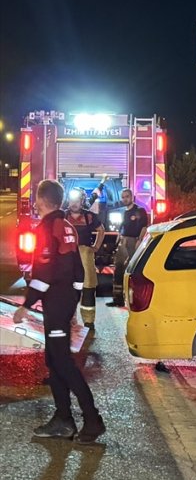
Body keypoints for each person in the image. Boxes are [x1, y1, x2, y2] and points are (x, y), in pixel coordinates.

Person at [13, 179, 105, 443]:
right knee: (53, 360)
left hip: (55, 302)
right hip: (63, 301)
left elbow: (44, 273)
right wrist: (72, 298)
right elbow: (77, 270)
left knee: (62, 361)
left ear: (40, 200)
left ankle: (92, 420)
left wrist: (26, 305)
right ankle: (63, 419)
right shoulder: (66, 226)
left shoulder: (47, 228)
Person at [64, 188, 105, 328]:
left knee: (88, 288)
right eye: (72, 200)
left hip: (85, 257)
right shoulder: (63, 216)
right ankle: (68, 318)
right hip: (68, 258)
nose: (74, 203)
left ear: (82, 201)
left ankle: (89, 321)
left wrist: (96, 247)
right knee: (67, 289)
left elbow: (101, 230)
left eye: (77, 200)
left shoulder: (90, 217)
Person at [107, 188, 149, 307]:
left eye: (127, 197)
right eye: (123, 197)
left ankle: (134, 298)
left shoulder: (139, 211)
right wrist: (119, 238)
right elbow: (122, 227)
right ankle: (117, 299)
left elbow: (144, 227)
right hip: (123, 241)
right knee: (118, 269)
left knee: (132, 269)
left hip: (133, 241)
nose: (125, 199)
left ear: (132, 197)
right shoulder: (125, 212)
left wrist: (139, 240)